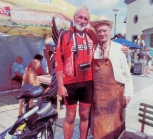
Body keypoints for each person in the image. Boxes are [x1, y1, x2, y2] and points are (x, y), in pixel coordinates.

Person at [55, 5, 129, 139]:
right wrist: (60, 85)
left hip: (88, 83)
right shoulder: (64, 35)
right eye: (80, 17)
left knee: (84, 116)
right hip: (70, 84)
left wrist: (122, 49)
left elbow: (105, 42)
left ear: (88, 21)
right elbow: (58, 62)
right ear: (75, 17)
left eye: (86, 18)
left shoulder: (91, 34)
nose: (82, 21)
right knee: (70, 117)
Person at [90, 16, 133, 139]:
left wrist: (128, 93)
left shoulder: (119, 49)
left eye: (105, 30)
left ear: (110, 31)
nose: (102, 34)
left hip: (115, 96)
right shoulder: (93, 49)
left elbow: (126, 73)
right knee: (99, 128)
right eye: (99, 31)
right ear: (96, 33)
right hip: (98, 98)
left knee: (115, 128)